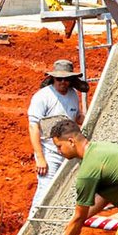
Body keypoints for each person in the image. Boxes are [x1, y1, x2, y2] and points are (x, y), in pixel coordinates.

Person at [27, 59, 86, 213]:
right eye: (59, 79)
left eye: (66, 79)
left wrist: (89, 119)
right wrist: (40, 158)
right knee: (46, 191)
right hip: (50, 153)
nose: (63, 82)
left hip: (70, 154)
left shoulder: (73, 95)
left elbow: (76, 117)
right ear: (53, 78)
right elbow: (34, 127)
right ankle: (35, 224)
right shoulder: (43, 97)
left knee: (67, 190)